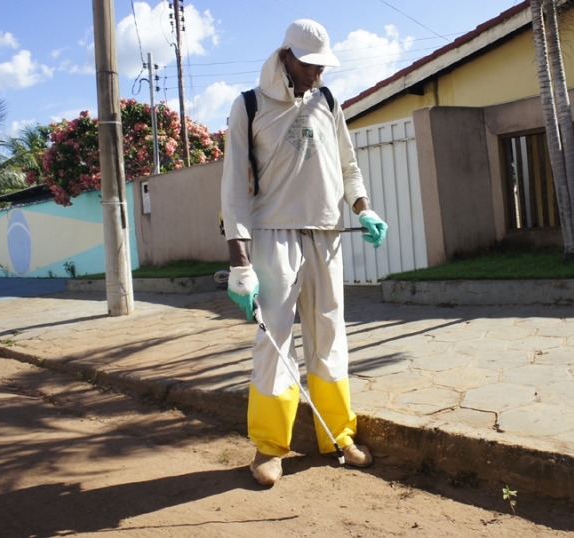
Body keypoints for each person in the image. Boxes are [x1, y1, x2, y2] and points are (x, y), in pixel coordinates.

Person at [220, 19, 388, 486]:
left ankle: (338, 434)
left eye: (322, 65)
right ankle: (270, 448)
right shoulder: (249, 105)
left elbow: (348, 164)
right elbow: (234, 188)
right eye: (311, 65)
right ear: (287, 57)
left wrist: (364, 208)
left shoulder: (329, 100)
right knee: (273, 341)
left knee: (329, 333)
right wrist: (240, 263)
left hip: (327, 233)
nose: (318, 73)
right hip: (273, 235)